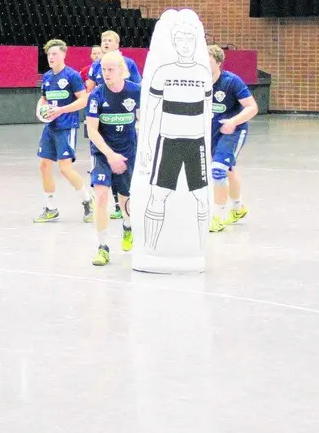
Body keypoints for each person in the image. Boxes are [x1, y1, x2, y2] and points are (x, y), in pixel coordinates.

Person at [137, 24, 214, 251]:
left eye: (190, 40)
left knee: (201, 196)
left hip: (196, 142)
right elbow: (150, 109)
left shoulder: (202, 73)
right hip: (168, 141)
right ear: (174, 43)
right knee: (158, 194)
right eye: (181, 40)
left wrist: (207, 145)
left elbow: (208, 109)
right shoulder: (163, 72)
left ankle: (201, 248)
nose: (186, 45)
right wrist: (147, 143)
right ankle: (150, 248)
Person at [84, 52, 140, 265]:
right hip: (102, 153)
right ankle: (102, 247)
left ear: (121, 70)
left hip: (127, 152)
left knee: (125, 199)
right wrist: (110, 155)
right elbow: (92, 130)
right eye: (103, 70)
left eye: (110, 69)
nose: (105, 74)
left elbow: (145, 119)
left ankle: (128, 226)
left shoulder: (135, 91)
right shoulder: (97, 96)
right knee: (101, 195)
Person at [35, 39, 93, 223]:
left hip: (66, 126)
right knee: (44, 165)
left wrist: (61, 110)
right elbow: (43, 99)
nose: (51, 57)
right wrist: (40, 110)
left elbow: (83, 100)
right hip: (50, 127)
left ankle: (87, 201)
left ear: (63, 55)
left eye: (55, 54)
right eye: (49, 54)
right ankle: (51, 208)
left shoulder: (72, 76)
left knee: (65, 169)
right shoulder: (47, 77)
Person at [207, 45, 259, 233]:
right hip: (212, 131)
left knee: (218, 170)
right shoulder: (199, 82)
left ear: (219, 63)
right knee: (228, 170)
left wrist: (233, 121)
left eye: (209, 61)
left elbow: (252, 107)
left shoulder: (231, 81)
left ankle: (217, 217)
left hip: (233, 131)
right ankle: (238, 208)